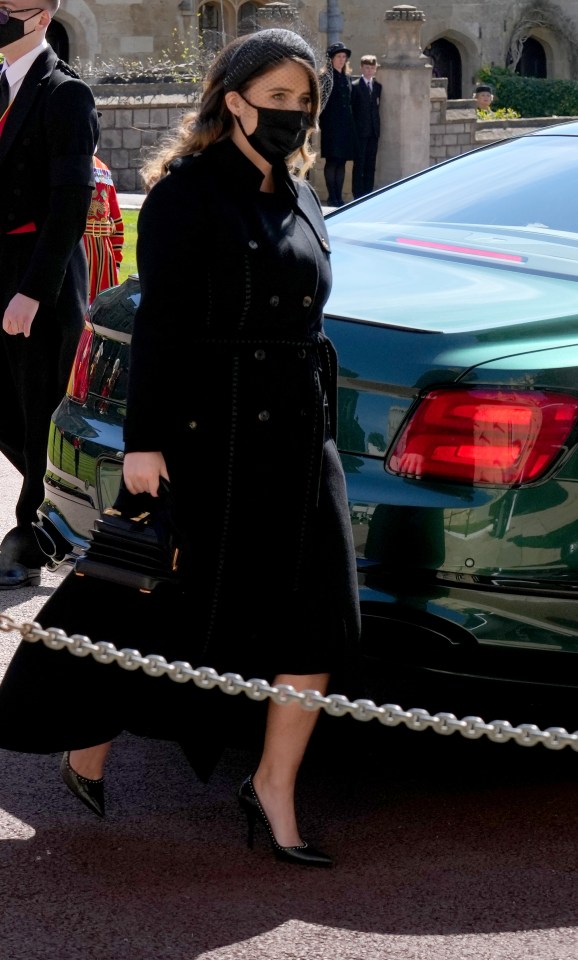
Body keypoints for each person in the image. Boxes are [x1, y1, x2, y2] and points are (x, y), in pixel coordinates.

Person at [0, 27, 361, 868]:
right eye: (277, 99)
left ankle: (272, 786)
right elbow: (158, 327)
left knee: (322, 620)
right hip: (211, 433)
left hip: (303, 439)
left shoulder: (302, 194)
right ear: (232, 99)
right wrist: (144, 443)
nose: (293, 116)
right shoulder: (187, 195)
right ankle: (85, 736)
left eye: (304, 102)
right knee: (148, 600)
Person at [0, 0, 99, 589]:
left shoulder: (66, 94)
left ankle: (31, 535)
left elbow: (69, 205)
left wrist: (32, 293)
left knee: (39, 410)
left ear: (42, 16)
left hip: (41, 275)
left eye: (8, 6)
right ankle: (56, 505)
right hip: (0, 267)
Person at [83, 138, 124, 304]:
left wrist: (116, 258)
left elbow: (116, 218)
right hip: (79, 245)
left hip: (103, 251)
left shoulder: (103, 168)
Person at [319, 41, 358, 207]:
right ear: (331, 59)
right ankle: (331, 196)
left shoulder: (347, 78)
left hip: (346, 126)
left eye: (344, 57)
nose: (342, 60)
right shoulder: (325, 78)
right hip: (330, 126)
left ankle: (339, 197)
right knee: (332, 160)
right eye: (338, 56)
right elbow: (321, 102)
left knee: (342, 161)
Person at [351, 54, 381, 200]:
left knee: (371, 164)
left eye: (372, 68)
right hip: (360, 132)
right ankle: (358, 194)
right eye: (367, 67)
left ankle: (368, 193)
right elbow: (353, 110)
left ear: (375, 69)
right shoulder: (355, 86)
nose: (369, 71)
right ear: (362, 68)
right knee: (359, 164)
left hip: (373, 132)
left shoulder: (377, 87)